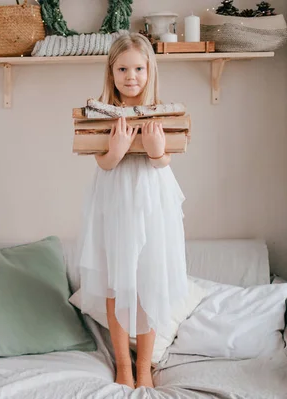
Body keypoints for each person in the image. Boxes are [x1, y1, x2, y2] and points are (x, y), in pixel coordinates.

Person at [76, 32, 188, 389]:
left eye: (139, 68)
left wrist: (156, 151)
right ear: (112, 73)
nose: (131, 76)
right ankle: (123, 365)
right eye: (123, 69)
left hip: (151, 199)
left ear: (149, 70)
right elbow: (103, 163)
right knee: (117, 284)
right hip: (116, 199)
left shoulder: (161, 111)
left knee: (148, 282)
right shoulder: (100, 113)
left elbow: (165, 158)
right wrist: (118, 149)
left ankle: (144, 367)